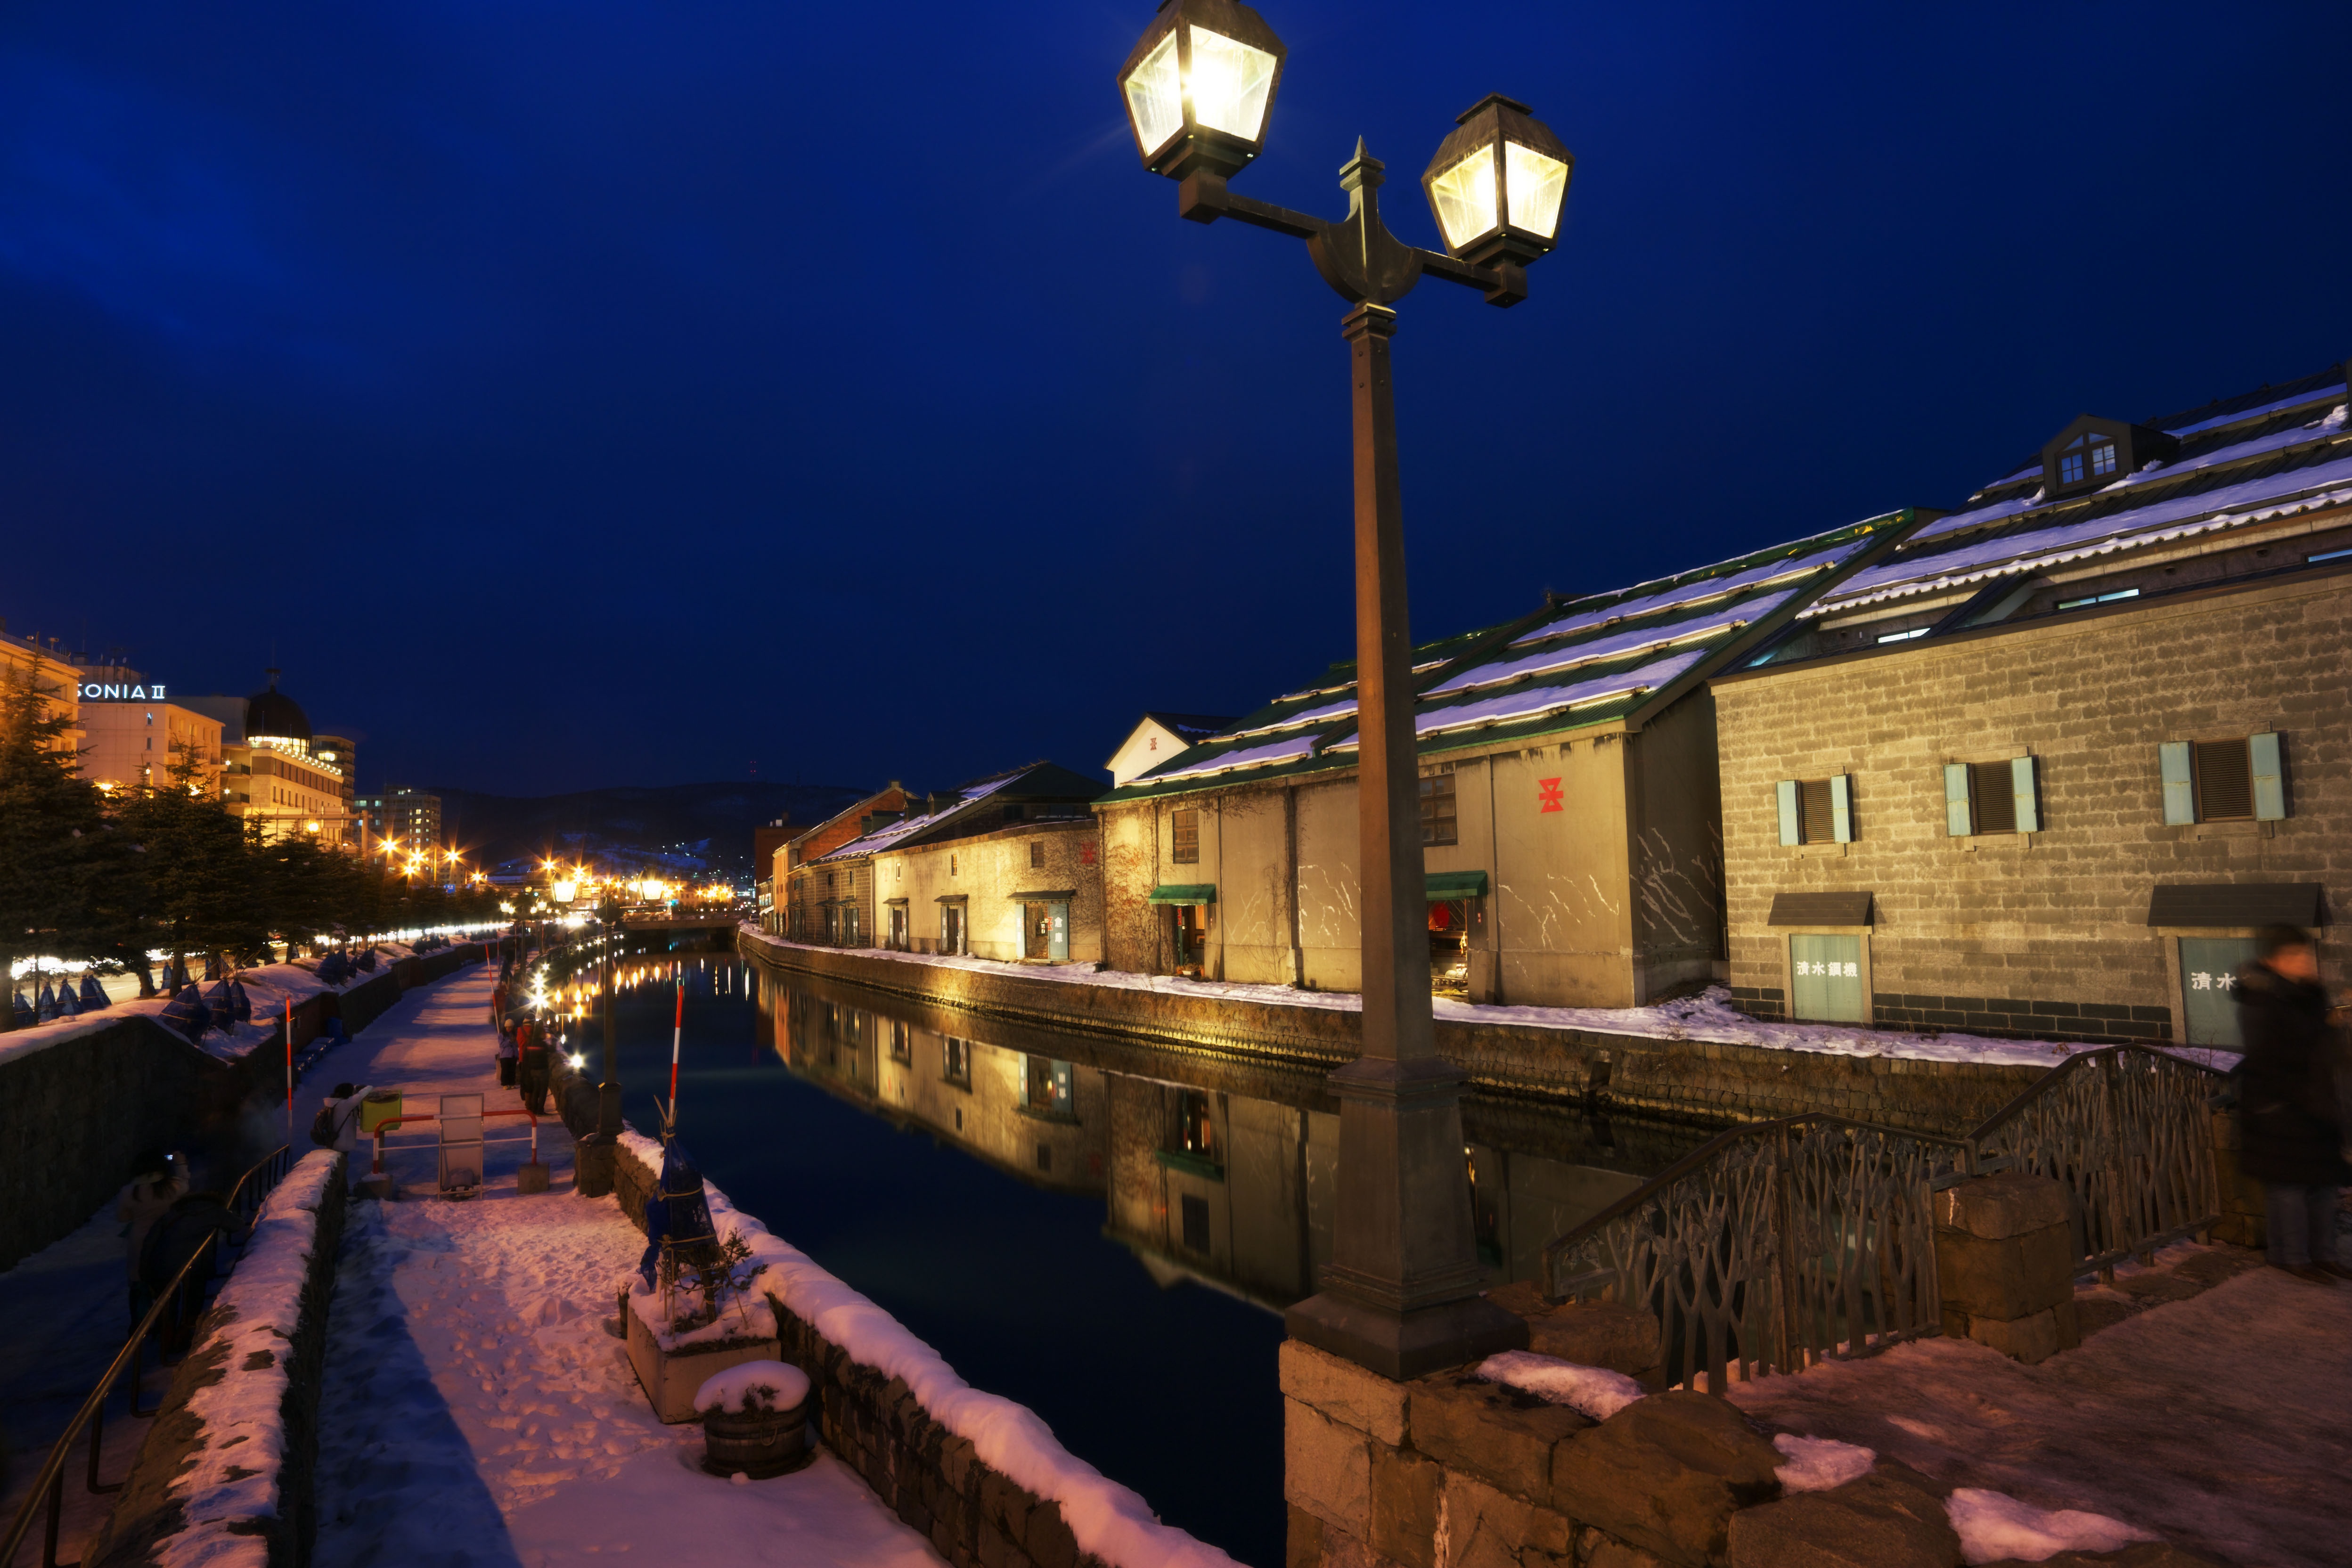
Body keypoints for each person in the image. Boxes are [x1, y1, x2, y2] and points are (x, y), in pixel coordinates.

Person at [2234, 924, 2350, 1283]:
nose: (2305, 961)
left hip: (2314, 1106)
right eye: (2295, 955)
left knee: (2321, 1184)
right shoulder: (2262, 999)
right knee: (2289, 1189)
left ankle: (2324, 1254)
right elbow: (2271, 1057)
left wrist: (2335, 1023)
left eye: (2306, 954)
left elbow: (2320, 1045)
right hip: (2280, 1109)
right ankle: (2290, 1256)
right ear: (2274, 960)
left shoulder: (2309, 993)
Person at [139, 1189, 251, 1354]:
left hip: (162, 1264)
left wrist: (145, 1270)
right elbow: (237, 1225)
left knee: (168, 1303)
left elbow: (150, 1242)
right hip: (194, 1266)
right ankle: (184, 1335)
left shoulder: (173, 1214)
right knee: (194, 1297)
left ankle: (167, 1341)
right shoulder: (214, 1211)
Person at [116, 1151, 187, 1328]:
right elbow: (186, 1187)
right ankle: (168, 1331)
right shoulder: (173, 1187)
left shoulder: (129, 1192)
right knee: (169, 1288)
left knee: (139, 1287)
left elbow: (123, 1218)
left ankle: (138, 1330)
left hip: (139, 1243)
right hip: (167, 1242)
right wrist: (181, 1165)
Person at [517, 1013, 551, 1115]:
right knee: (533, 1086)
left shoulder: (519, 1030)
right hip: (531, 1061)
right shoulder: (533, 1032)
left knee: (527, 1083)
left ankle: (530, 1106)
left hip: (523, 1058)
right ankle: (532, 1107)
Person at [496, 1014, 520, 1087]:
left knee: (512, 1071)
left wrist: (515, 1042)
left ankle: (512, 1083)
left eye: (511, 1027)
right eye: (508, 1027)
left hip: (513, 1055)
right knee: (505, 1070)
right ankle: (505, 1084)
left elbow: (517, 1044)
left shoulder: (514, 1034)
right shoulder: (502, 1035)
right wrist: (510, 1041)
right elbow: (502, 1044)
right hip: (505, 1055)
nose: (509, 1029)